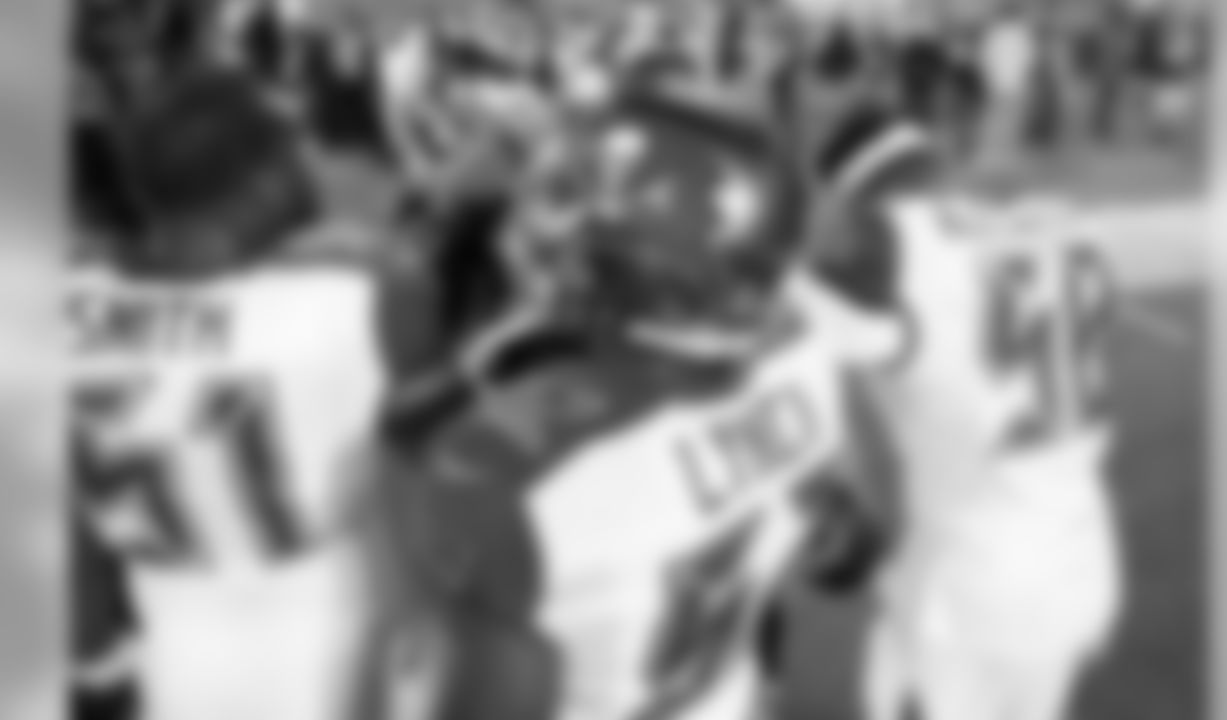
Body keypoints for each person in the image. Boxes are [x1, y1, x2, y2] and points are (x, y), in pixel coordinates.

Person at [384, 85, 907, 720]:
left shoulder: (510, 468)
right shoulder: (804, 363)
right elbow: (853, 544)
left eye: (588, 197)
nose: (561, 223)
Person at [66, 66, 458, 720]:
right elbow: (445, 481)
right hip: (341, 635)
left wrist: (94, 661)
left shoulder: (64, 308)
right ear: (264, 181)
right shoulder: (364, 287)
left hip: (175, 649)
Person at [800, 66, 1123, 720]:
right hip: (1079, 559)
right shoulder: (1063, 225)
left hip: (968, 591)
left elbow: (787, 344)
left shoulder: (891, 248)